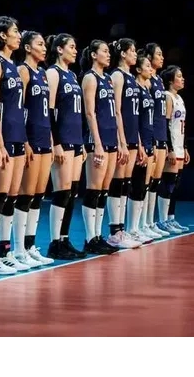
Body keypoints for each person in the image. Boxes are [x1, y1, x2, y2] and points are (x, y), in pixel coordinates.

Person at [0, 16, 29, 273]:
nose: (18, 36)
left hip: (18, 134)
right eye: (15, 31)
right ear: (2, 35)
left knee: (12, 195)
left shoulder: (14, 66)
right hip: (4, 136)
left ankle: (5, 251)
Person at [13, 31, 55, 265]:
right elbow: (18, 108)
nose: (44, 48)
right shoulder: (23, 71)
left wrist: (51, 139)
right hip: (29, 139)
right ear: (27, 48)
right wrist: (25, 141)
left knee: (38, 195)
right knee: (26, 195)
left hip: (44, 138)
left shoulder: (42, 73)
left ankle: (29, 246)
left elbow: (46, 111)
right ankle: (19, 248)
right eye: (40, 44)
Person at [45, 33, 87, 260]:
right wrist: (56, 143)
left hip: (76, 139)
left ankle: (64, 238)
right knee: (61, 191)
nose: (75, 50)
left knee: (72, 192)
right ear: (59, 49)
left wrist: (81, 143)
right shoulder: (53, 73)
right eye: (71, 46)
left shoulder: (71, 75)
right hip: (62, 139)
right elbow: (50, 110)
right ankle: (54, 243)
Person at [79, 40, 120, 255]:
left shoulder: (108, 79)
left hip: (111, 138)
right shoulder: (90, 77)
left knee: (104, 190)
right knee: (94, 189)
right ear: (94, 55)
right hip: (99, 139)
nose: (108, 54)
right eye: (104, 51)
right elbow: (90, 112)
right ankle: (89, 238)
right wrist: (97, 143)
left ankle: (98, 235)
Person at [105, 39, 145, 249]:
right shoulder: (117, 76)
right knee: (118, 182)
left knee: (125, 183)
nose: (135, 54)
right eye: (132, 51)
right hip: (121, 137)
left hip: (131, 135)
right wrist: (121, 141)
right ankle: (115, 232)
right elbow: (117, 111)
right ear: (122, 53)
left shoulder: (131, 78)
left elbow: (134, 115)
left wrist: (138, 143)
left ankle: (122, 230)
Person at [126, 55, 159, 241]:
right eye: (147, 66)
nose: (151, 69)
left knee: (144, 185)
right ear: (138, 69)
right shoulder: (136, 89)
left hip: (148, 140)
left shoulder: (147, 89)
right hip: (138, 143)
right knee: (136, 184)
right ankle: (131, 228)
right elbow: (135, 120)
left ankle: (139, 226)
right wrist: (139, 144)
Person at [156, 66, 190, 233]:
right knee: (168, 183)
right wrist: (169, 148)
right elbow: (165, 124)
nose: (182, 79)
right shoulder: (167, 97)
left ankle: (171, 218)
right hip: (172, 146)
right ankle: (163, 220)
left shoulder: (180, 98)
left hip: (179, 145)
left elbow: (181, 126)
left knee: (175, 184)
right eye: (179, 76)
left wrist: (184, 147)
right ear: (171, 80)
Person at [144, 44, 170, 237]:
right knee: (145, 181)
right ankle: (141, 224)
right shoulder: (146, 80)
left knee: (155, 182)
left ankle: (150, 222)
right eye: (158, 54)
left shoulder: (159, 80)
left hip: (161, 134)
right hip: (150, 134)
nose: (162, 57)